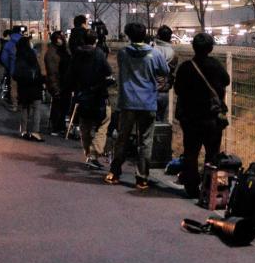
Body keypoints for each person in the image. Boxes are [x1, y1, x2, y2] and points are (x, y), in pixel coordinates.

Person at [106, 22, 169, 190]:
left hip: (127, 101)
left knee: (122, 138)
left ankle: (114, 172)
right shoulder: (155, 54)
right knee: (145, 141)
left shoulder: (123, 54)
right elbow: (165, 71)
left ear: (128, 35)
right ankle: (142, 177)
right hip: (148, 102)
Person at [172, 32, 230, 197]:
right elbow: (226, 81)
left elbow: (177, 89)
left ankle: (191, 187)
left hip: (190, 118)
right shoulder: (216, 66)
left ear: (193, 47)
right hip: (212, 117)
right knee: (212, 154)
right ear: (211, 48)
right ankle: (209, 189)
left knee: (191, 152)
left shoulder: (186, 67)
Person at [71, 29, 113, 170]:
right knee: (104, 123)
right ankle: (94, 154)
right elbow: (108, 71)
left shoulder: (77, 54)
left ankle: (88, 153)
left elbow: (70, 74)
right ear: (96, 40)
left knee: (85, 126)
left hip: (82, 95)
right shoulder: (98, 53)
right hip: (98, 94)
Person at [13, 34, 45, 142]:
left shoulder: (18, 56)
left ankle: (23, 130)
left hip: (23, 87)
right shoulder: (32, 54)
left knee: (24, 108)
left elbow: (15, 74)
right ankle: (35, 132)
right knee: (36, 108)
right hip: (34, 86)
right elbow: (38, 71)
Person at [44, 30, 71, 136]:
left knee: (63, 106)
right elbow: (52, 72)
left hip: (64, 82)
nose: (63, 40)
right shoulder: (52, 53)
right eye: (62, 38)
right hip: (58, 83)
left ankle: (60, 126)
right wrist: (55, 88)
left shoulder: (62, 51)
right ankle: (56, 127)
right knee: (58, 106)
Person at [152, 25, 177, 123]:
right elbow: (171, 72)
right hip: (163, 91)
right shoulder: (173, 54)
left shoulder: (151, 49)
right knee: (160, 122)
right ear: (170, 37)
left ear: (158, 35)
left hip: (149, 90)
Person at [0, 25, 25, 111]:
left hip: (14, 69)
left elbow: (4, 58)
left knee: (14, 87)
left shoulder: (9, 44)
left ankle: (15, 105)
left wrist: (9, 66)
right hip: (25, 70)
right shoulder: (26, 42)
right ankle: (24, 106)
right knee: (23, 87)